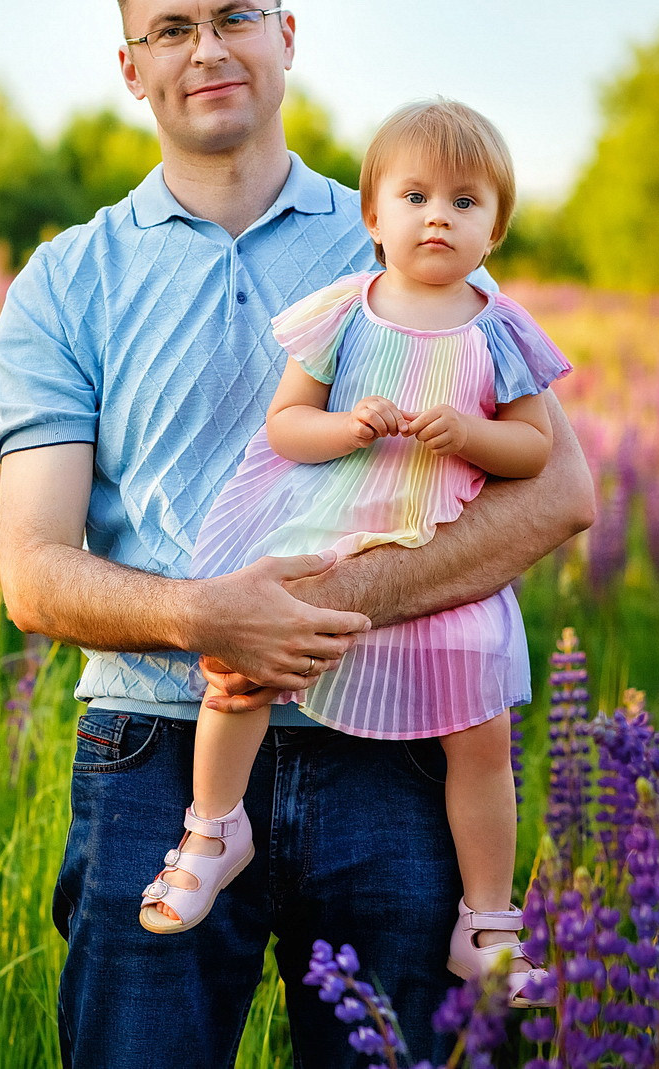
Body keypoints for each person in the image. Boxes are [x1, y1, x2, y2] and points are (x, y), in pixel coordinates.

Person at [0, 0, 594, 1066]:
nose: (205, 49)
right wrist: (204, 617)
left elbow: (558, 489)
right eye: (169, 29)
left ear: (286, 34)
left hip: (394, 742)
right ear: (129, 66)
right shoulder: (65, 282)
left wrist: (311, 613)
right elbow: (34, 571)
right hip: (153, 750)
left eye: (234, 14)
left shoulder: (404, 226)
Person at [135, 98, 566, 1012]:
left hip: (440, 553)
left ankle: (488, 920)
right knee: (242, 669)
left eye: (465, 200)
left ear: (496, 227)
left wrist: (470, 435)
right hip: (327, 525)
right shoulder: (344, 310)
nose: (437, 215)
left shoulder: (500, 329)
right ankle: (214, 828)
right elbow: (286, 425)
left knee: (482, 738)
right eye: (414, 196)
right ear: (373, 217)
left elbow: (535, 452)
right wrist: (346, 426)